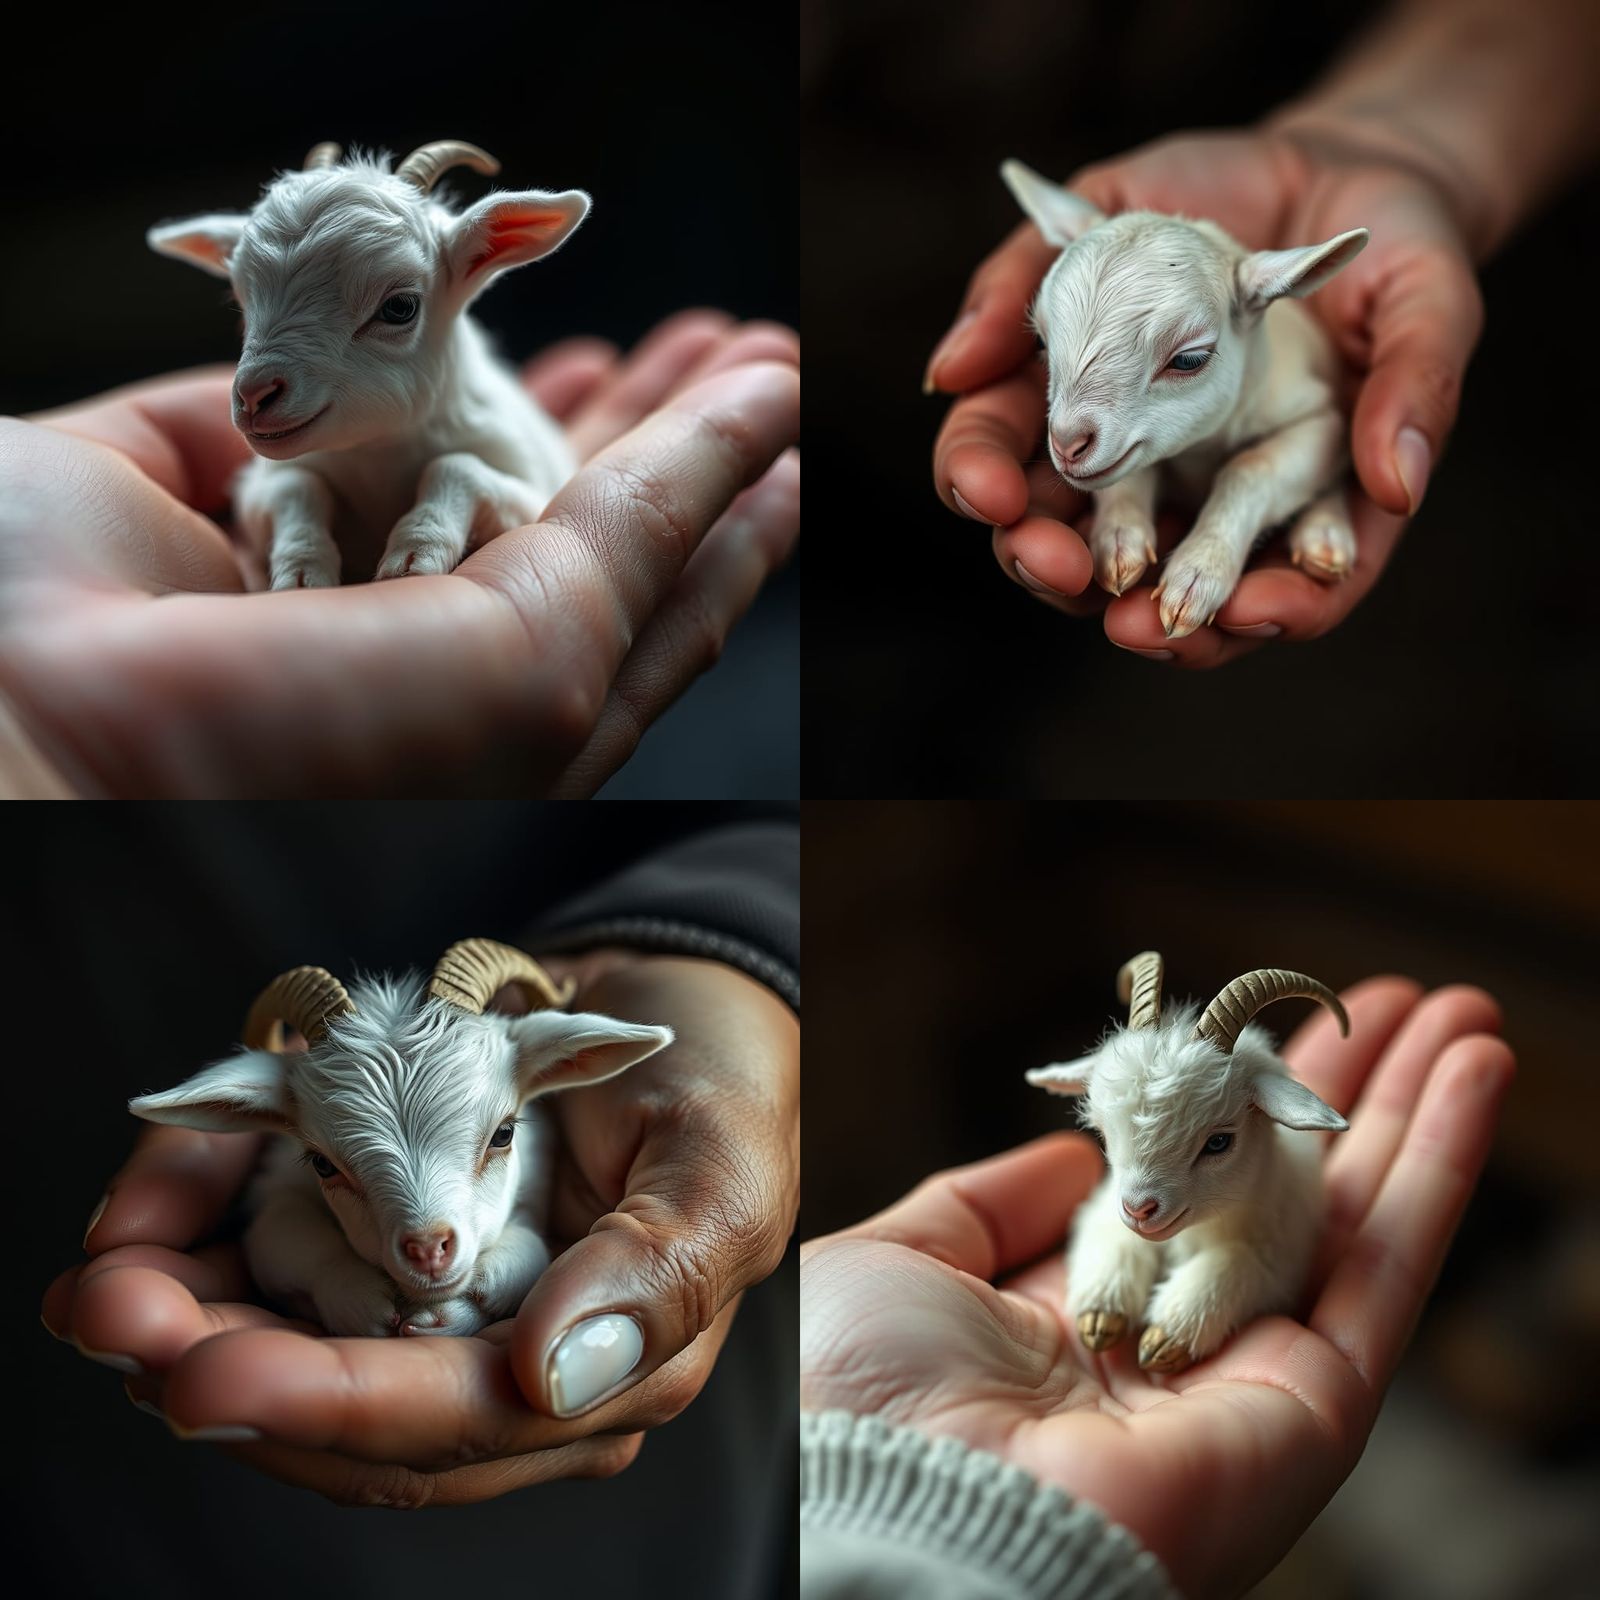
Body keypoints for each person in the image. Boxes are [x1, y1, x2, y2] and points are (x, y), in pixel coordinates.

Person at [40, 813, 799, 1546]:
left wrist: (718, 938)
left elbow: (528, 1238)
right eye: (331, 1167)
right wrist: (335, 1280)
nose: (429, 1237)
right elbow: (278, 1231)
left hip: (662, 1507)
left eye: (497, 1137)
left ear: (561, 1064)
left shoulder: (539, 1132)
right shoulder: (290, 1164)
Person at [927, 0, 1600, 667]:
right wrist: (1120, 504)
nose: (1064, 431)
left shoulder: (1264, 329)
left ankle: (1320, 506)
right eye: (1047, 340)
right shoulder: (1103, 392)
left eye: (1187, 358)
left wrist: (1227, 524)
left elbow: (1322, 427)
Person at [800, 979, 1514, 1597]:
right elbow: (1115, 1214)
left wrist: (1215, 1291)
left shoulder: (1284, 1188)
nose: (1134, 1202)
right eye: (1117, 1139)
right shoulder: (1134, 1190)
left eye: (1214, 1145)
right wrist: (1109, 1284)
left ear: (1265, 1114)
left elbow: (1263, 1256)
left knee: (1231, 1257)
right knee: (1115, 1242)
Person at [0, 313, 798, 794]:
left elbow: (535, 490)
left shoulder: (484, 426)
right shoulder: (307, 439)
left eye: (395, 308)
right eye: (249, 302)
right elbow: (267, 486)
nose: (249, 381)